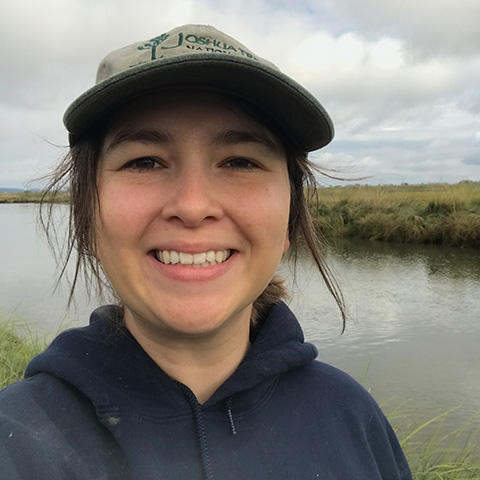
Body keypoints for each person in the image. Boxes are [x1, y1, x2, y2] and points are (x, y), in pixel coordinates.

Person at [0, 24, 412, 479]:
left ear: (289, 222)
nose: (193, 206)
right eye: (145, 161)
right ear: (88, 221)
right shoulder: (16, 442)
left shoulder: (355, 420)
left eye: (240, 161)